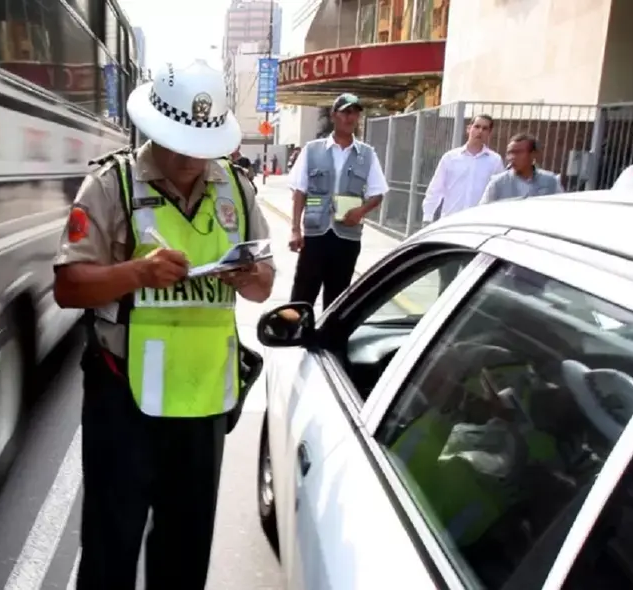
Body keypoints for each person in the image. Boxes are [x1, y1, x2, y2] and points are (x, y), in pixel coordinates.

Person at [52, 59, 275, 590]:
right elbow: (68, 287)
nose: (191, 160)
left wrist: (248, 277)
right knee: (112, 546)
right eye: (179, 144)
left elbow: (264, 285)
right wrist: (137, 273)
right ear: (155, 128)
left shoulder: (237, 191)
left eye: (202, 146)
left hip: (203, 400)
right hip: (122, 396)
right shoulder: (111, 185)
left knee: (186, 550)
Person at [287, 93, 387, 309]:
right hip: (315, 234)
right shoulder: (312, 150)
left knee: (338, 296)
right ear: (334, 116)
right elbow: (299, 191)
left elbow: (378, 193)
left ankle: (328, 339)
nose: (351, 118)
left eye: (355, 113)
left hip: (347, 236)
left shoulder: (367, 154)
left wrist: (361, 211)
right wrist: (295, 229)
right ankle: (296, 335)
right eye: (346, 112)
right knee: (303, 292)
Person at [422, 114, 504, 292]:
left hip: (480, 231)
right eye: (477, 127)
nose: (479, 131)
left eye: (485, 128)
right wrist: (427, 218)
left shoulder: (495, 161)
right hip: (452, 227)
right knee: (446, 281)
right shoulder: (450, 158)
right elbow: (435, 189)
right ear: (469, 128)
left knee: (471, 284)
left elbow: (499, 194)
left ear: (490, 132)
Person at [480, 133, 563, 204]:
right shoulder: (498, 183)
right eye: (510, 153)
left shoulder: (551, 181)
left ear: (533, 154)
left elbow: (562, 209)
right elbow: (482, 211)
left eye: (518, 152)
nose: (512, 157)